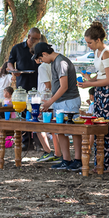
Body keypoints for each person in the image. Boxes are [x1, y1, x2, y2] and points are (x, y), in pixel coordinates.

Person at [78, 21, 109, 171]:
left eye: (90, 42)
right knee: (98, 128)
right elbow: (102, 74)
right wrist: (90, 79)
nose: (88, 45)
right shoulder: (97, 52)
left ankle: (107, 165)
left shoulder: (107, 53)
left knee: (108, 129)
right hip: (101, 93)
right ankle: (99, 163)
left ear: (98, 40)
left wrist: (89, 84)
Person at [34, 42, 82, 170]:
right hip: (60, 102)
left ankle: (78, 160)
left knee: (74, 131)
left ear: (44, 54)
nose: (42, 62)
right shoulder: (55, 62)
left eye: (41, 59)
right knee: (60, 130)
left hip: (69, 101)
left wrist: (50, 101)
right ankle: (66, 159)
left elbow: (64, 86)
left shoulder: (61, 62)